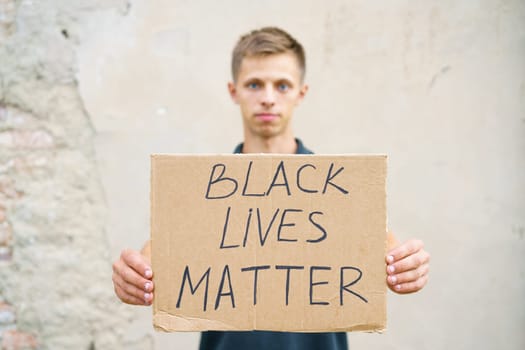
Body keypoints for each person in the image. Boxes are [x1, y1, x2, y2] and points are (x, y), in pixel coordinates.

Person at [112, 27, 430, 350]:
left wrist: (409, 267)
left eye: (282, 85)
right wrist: (132, 277)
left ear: (301, 93)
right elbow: (149, 263)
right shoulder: (207, 188)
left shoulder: (337, 187)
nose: (267, 97)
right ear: (233, 90)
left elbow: (392, 256)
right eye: (254, 84)